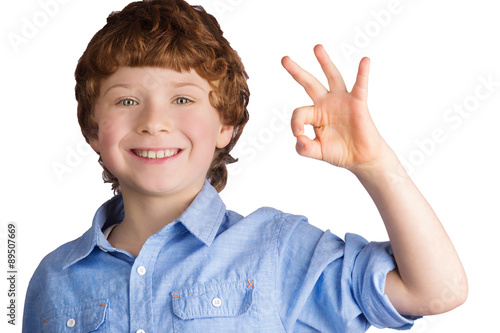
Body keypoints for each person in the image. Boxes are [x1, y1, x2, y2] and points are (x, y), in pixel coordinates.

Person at [22, 0, 467, 331]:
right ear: (94, 129)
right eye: (126, 100)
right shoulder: (52, 279)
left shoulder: (279, 251)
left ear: (226, 126)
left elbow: (436, 291)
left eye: (182, 99)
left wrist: (374, 163)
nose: (154, 122)